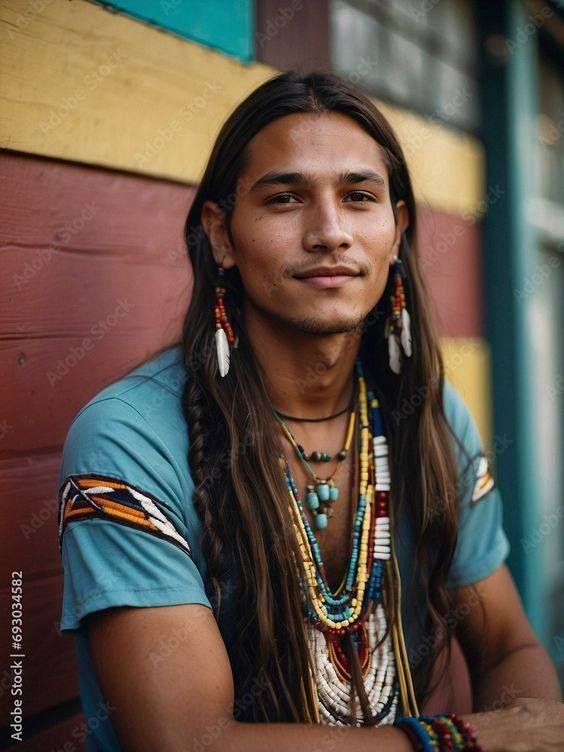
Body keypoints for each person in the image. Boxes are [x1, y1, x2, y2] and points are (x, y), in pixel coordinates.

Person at [57, 71, 562, 751]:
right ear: (222, 235)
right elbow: (186, 742)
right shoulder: (129, 440)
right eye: (286, 198)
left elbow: (506, 645)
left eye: (359, 197)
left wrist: (535, 728)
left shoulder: (428, 414)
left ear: (396, 231)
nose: (329, 233)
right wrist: (468, 740)